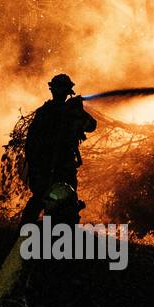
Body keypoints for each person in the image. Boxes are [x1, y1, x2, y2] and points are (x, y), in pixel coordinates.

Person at [20, 73, 96, 225]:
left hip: (58, 167)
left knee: (59, 201)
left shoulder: (60, 111)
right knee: (49, 199)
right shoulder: (51, 112)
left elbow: (91, 126)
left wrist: (78, 110)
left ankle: (33, 232)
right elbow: (32, 143)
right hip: (51, 167)